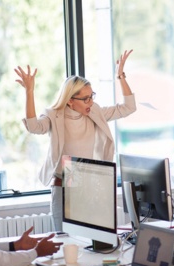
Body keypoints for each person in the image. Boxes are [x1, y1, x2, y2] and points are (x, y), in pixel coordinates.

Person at [15, 50, 136, 231]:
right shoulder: (54, 116)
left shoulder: (94, 112)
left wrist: (120, 76)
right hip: (64, 188)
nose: (90, 102)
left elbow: (128, 107)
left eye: (91, 96)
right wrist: (29, 92)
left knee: (93, 242)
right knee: (65, 243)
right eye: (85, 98)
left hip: (90, 187)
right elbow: (33, 127)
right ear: (70, 100)